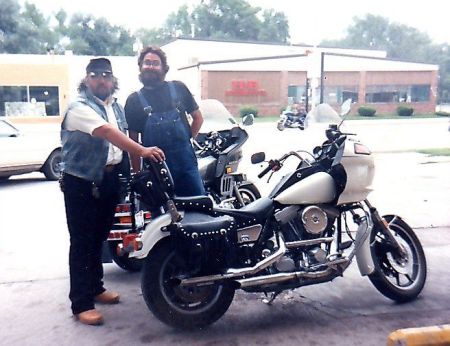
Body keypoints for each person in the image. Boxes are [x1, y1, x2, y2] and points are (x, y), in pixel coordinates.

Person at [60, 58, 165, 326]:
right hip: (81, 183)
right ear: (87, 80)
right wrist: (140, 151)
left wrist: (132, 172)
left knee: (99, 238)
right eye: (95, 76)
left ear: (113, 80)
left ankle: (96, 288)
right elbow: (106, 132)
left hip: (107, 180)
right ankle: (81, 303)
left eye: (106, 75)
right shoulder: (79, 108)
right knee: (82, 243)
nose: (101, 80)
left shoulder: (115, 107)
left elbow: (119, 141)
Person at [124, 46, 205, 197]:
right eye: (147, 62)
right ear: (141, 66)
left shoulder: (179, 88)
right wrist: (137, 174)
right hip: (155, 170)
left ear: (164, 68)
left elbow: (198, 118)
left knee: (198, 208)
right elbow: (133, 142)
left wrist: (187, 141)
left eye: (155, 63)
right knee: (161, 217)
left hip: (186, 166)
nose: (150, 66)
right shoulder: (133, 100)